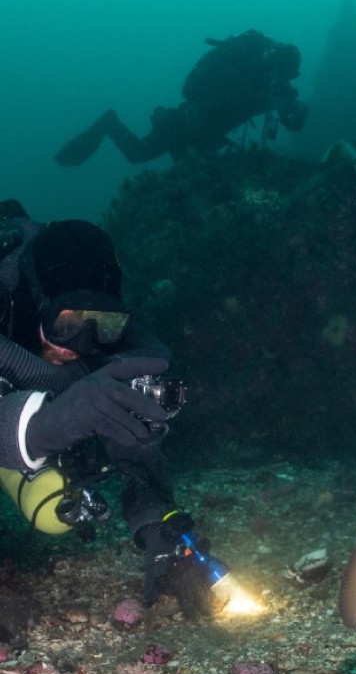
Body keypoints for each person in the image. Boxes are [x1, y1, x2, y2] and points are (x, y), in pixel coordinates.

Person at [0, 199, 211, 616]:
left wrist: (156, 522)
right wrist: (44, 427)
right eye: (67, 324)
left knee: (51, 510)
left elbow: (130, 430)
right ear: (33, 305)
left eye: (104, 324)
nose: (82, 343)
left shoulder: (104, 343)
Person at [55, 29, 309, 166]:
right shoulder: (248, 75)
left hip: (203, 133)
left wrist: (294, 108)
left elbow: (293, 124)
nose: (283, 80)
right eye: (283, 74)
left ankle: (111, 123)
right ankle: (109, 123)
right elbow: (211, 99)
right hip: (185, 125)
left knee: (190, 175)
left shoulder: (273, 87)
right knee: (138, 155)